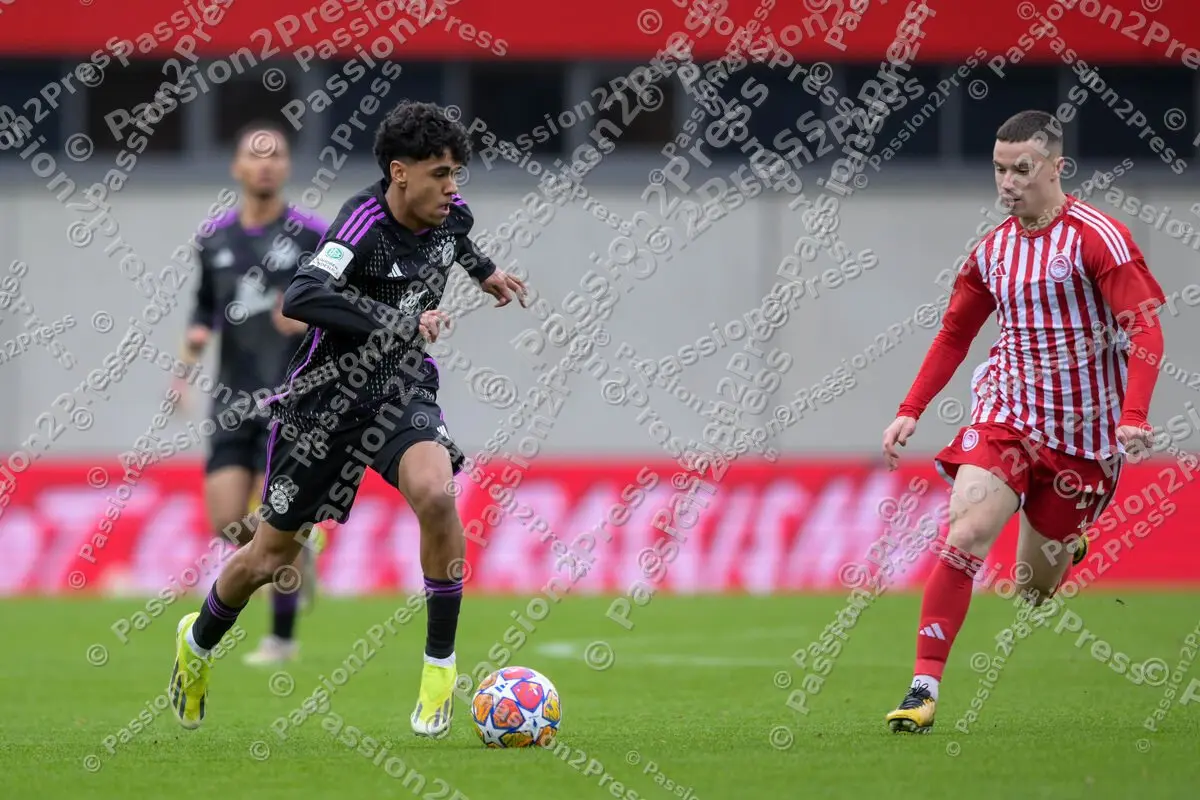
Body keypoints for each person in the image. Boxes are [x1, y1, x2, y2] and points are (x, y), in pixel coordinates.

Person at [167, 100, 527, 738]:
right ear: (399, 172)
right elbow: (303, 295)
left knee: (438, 496)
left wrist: (486, 272)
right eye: (440, 174)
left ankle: (439, 672)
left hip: (400, 391)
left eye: (458, 174)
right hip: (323, 403)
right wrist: (399, 321)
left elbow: (458, 241)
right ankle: (195, 648)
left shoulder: (453, 215)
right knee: (267, 555)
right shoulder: (360, 223)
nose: (452, 188)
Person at [881, 109, 1165, 734]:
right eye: (998, 170)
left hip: (1084, 441)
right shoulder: (993, 252)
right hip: (1006, 415)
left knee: (1036, 590)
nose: (1007, 183)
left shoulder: (1098, 239)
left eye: (1021, 170)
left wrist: (1132, 416)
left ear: (1056, 168)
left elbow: (1144, 329)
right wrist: (910, 409)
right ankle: (923, 688)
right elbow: (956, 333)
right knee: (966, 533)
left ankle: (1068, 540)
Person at [175, 120, 329, 667]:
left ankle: (282, 639)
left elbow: (344, 308)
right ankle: (295, 551)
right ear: (238, 167)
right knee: (226, 519)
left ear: (286, 167)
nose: (265, 164)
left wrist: (310, 319)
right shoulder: (215, 239)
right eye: (254, 155)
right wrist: (187, 358)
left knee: (277, 513)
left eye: (276, 155)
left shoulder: (314, 236)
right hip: (231, 398)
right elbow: (202, 307)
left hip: (294, 397)